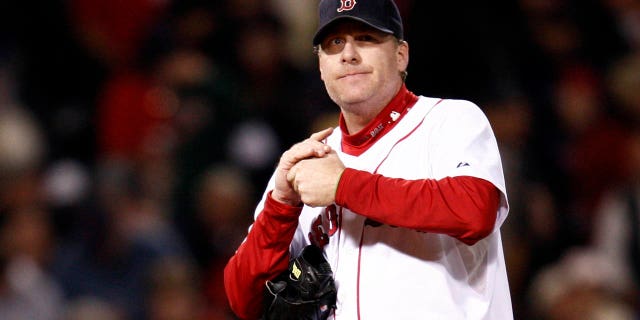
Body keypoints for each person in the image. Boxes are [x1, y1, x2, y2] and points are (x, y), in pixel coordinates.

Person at [224, 0, 513, 319]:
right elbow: (244, 300)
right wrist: (281, 205)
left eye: (366, 38)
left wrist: (344, 185)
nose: (348, 54)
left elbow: (475, 211)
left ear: (401, 55)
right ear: (321, 67)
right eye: (335, 43)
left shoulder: (449, 120)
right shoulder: (309, 162)